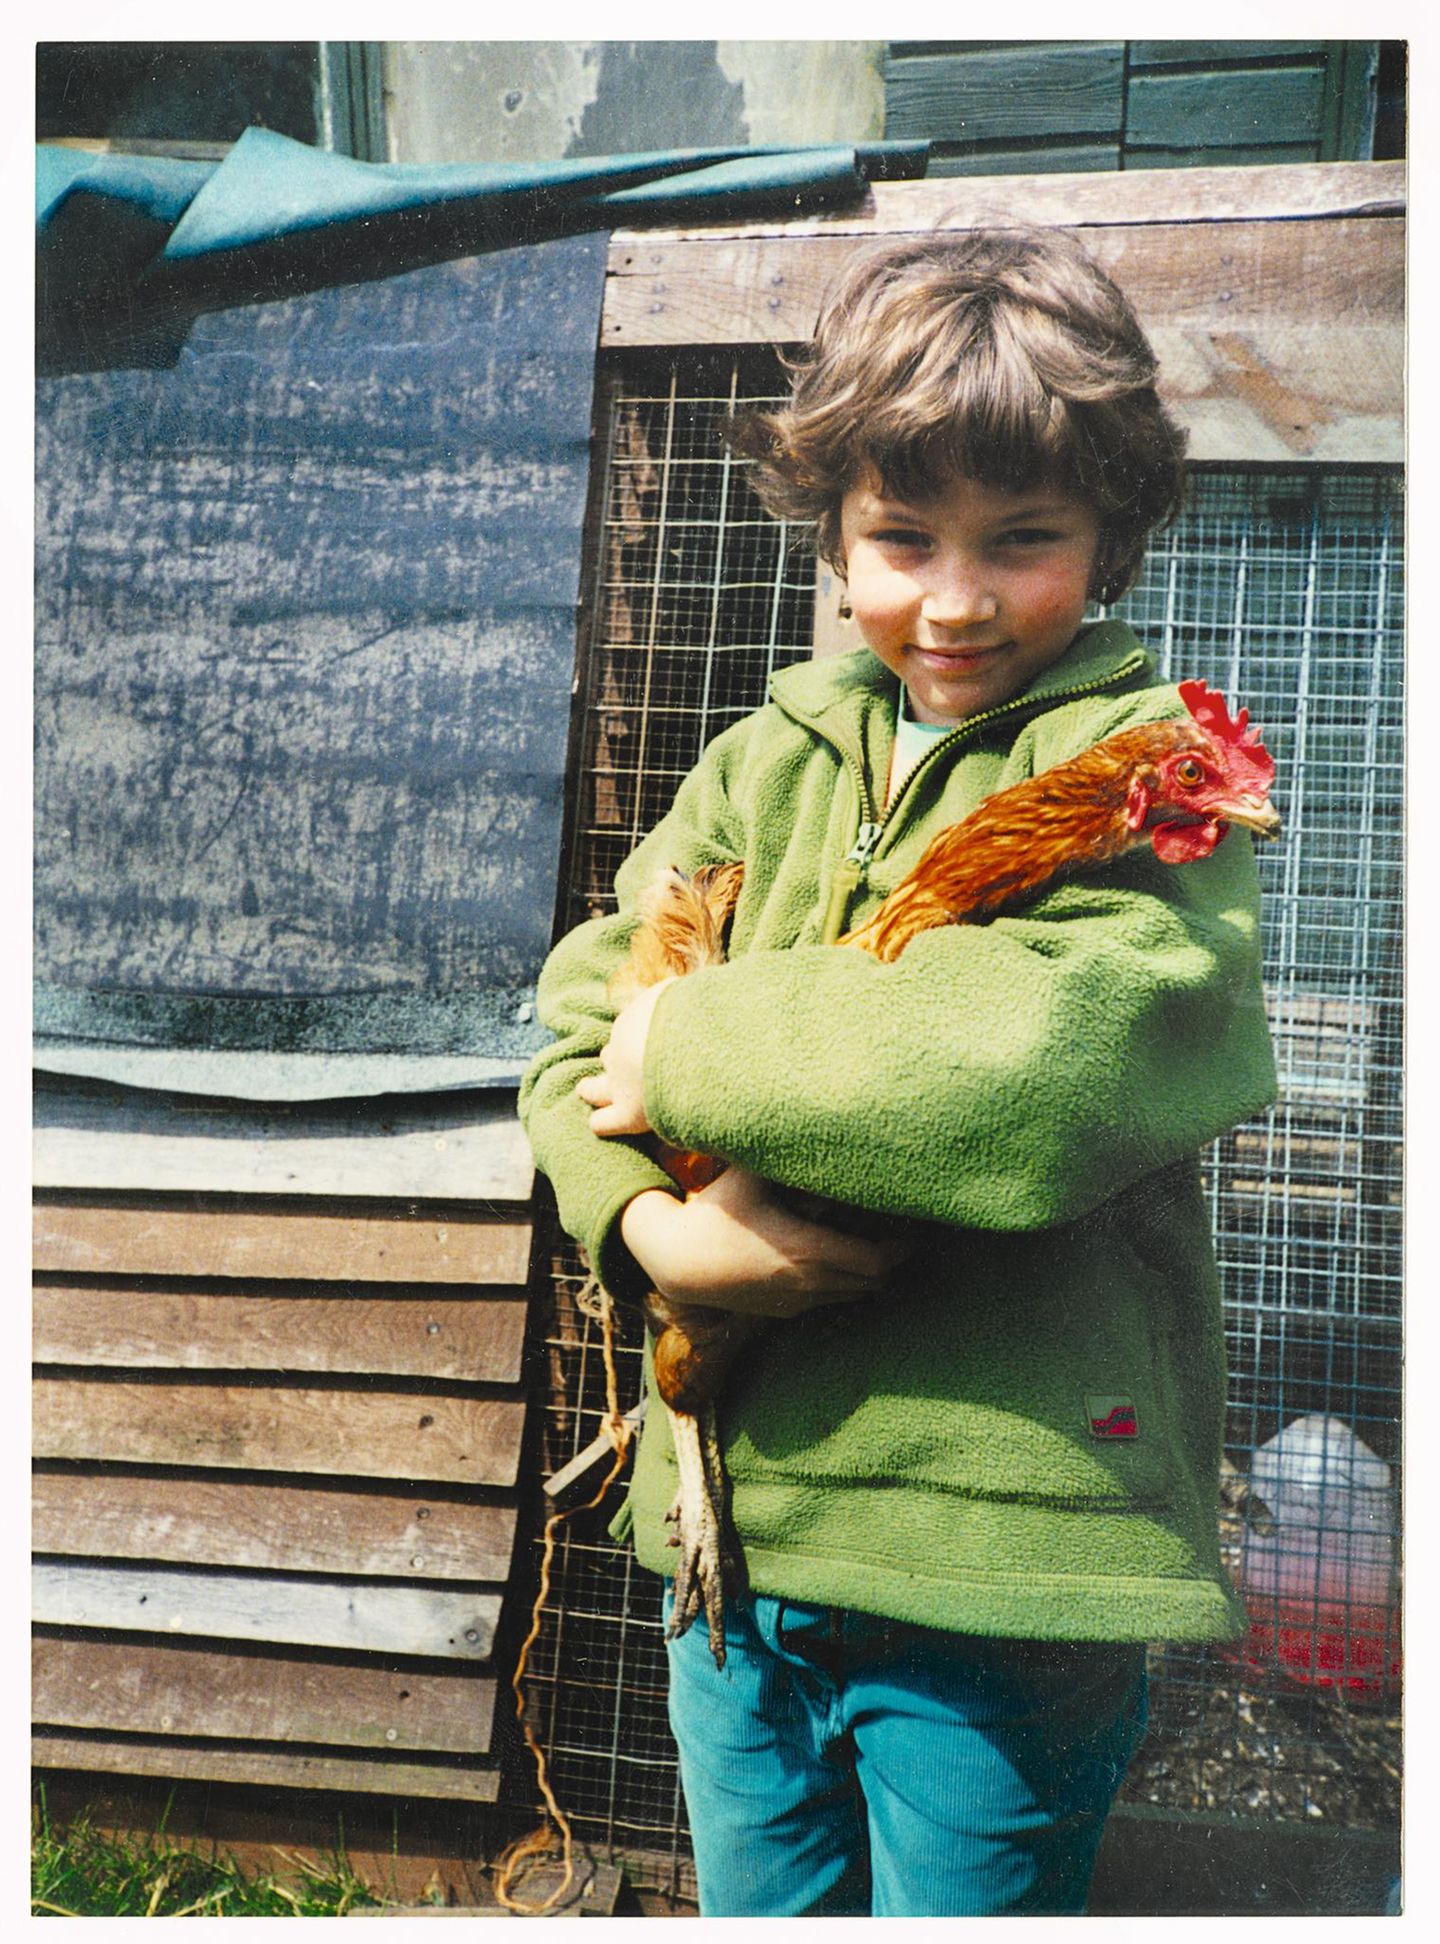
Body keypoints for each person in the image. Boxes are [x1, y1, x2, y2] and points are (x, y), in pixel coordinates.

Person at [518, 227, 1276, 1918]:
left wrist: (681, 1046)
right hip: (734, 1534)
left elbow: (1039, 1058)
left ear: (1110, 534)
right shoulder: (767, 757)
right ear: (835, 533)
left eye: (1023, 540)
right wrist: (653, 1231)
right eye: (902, 537)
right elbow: (573, 1016)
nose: (954, 599)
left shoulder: (1147, 775)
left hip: (999, 1557)